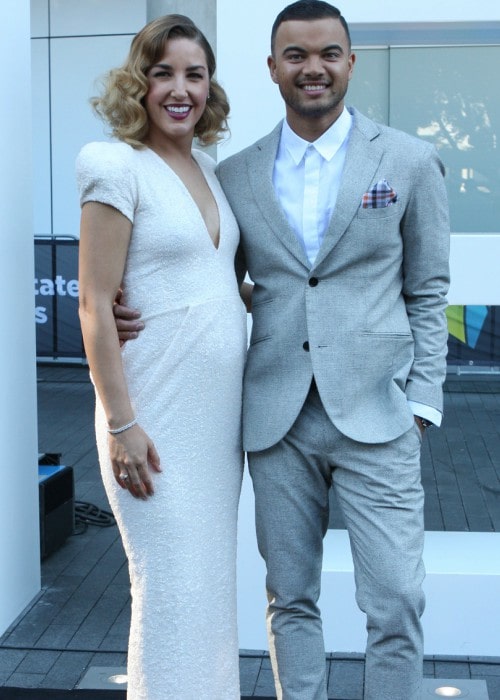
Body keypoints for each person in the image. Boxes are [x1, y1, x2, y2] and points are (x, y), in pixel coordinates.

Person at [115, 2, 450, 698]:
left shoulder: (411, 162)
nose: (313, 68)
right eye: (295, 56)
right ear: (272, 69)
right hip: (275, 419)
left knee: (396, 604)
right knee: (289, 598)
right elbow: (211, 273)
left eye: (328, 53)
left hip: (380, 417)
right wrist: (127, 303)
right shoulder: (233, 175)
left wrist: (423, 401)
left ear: (350, 62)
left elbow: (428, 289)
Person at [76, 14, 247, 700]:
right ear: (138, 82)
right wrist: (121, 424)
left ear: (210, 86)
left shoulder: (208, 168)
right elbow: (93, 302)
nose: (181, 88)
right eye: (163, 71)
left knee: (209, 590)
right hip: (151, 416)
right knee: (171, 588)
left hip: (215, 428)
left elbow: (213, 280)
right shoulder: (112, 162)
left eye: (195, 74)